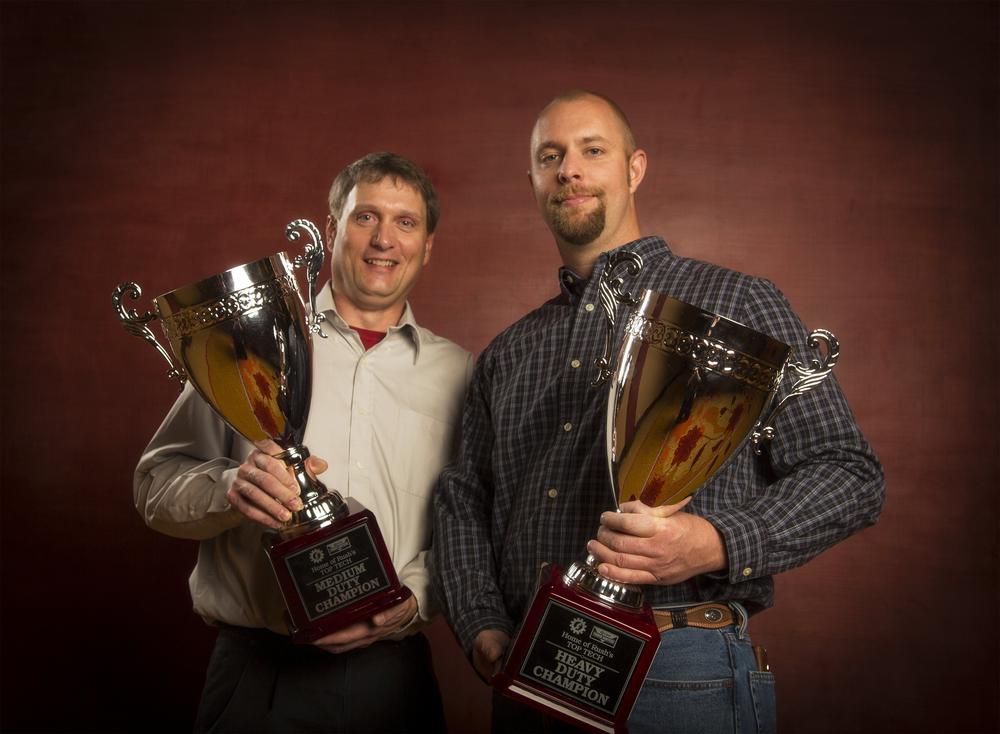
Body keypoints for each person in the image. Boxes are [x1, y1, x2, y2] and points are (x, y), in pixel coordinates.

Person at [432, 90, 885, 733]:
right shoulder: (508, 352)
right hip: (534, 674)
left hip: (680, 668)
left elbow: (850, 473)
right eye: (550, 156)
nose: (570, 170)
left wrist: (715, 543)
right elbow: (462, 500)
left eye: (593, 150)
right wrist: (481, 628)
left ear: (635, 168)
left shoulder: (737, 303)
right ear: (533, 180)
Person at [135, 152, 473, 733]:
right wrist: (227, 488)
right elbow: (153, 485)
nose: (384, 240)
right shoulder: (253, 345)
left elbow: (471, 524)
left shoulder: (461, 374)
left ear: (428, 244)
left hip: (392, 680)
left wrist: (414, 596)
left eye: (406, 223)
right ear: (331, 229)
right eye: (366, 217)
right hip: (258, 678)